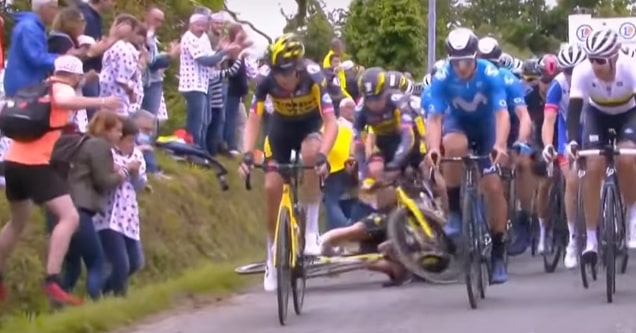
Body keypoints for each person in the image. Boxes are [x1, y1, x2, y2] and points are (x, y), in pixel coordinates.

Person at [0, 55, 121, 305]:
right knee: (70, 217)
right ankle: (52, 279)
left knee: (17, 223)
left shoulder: (35, 88)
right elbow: (64, 100)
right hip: (37, 165)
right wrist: (102, 101)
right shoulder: (62, 87)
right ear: (76, 76)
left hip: (12, 163)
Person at [238, 33, 338, 292]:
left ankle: (312, 230)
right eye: (277, 72)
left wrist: (324, 156)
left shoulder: (314, 77)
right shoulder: (265, 79)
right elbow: (254, 120)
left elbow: (331, 122)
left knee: (311, 153)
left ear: (298, 68)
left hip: (309, 127)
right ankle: (272, 252)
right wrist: (247, 153)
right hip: (280, 130)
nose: (281, 78)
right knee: (271, 186)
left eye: (286, 72)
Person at [425, 27, 510, 284]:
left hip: (486, 128)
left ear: (475, 57)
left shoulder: (490, 73)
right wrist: (432, 148)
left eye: (466, 61)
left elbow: (502, 115)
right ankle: (455, 212)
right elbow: (434, 118)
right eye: (456, 62)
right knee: (452, 146)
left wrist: (501, 144)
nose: (461, 67)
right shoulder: (442, 77)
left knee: (494, 187)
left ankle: (497, 251)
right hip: (457, 124)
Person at [566, 28, 636, 265]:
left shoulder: (630, 67)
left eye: (600, 60)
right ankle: (592, 240)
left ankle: (631, 219)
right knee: (592, 166)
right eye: (591, 59)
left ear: (614, 57)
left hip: (629, 113)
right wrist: (573, 140)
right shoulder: (582, 71)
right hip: (597, 114)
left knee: (626, 159)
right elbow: (575, 109)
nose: (594, 65)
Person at [61, 111, 127, 300]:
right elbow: (103, 181)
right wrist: (122, 174)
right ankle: (95, 302)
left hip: (65, 206)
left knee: (72, 265)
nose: (120, 135)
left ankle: (58, 304)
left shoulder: (84, 142)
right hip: (80, 209)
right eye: (117, 131)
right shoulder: (99, 146)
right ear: (106, 130)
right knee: (96, 261)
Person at [477, 36, 534, 257]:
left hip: (510, 127)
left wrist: (520, 142)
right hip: (483, 130)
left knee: (523, 163)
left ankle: (524, 216)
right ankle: (478, 222)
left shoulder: (508, 78)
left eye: (493, 62)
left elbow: (524, 116)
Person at [541, 43, 587, 268]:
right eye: (567, 71)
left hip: (591, 125)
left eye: (575, 70)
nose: (571, 76)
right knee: (571, 179)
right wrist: (548, 145)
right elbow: (549, 120)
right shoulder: (557, 86)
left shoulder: (591, 78)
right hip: (566, 131)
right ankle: (573, 237)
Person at [95, 117, 146, 296]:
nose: (132, 145)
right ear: (119, 138)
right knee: (121, 263)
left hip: (129, 215)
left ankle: (103, 289)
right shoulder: (108, 154)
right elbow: (105, 179)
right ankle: (119, 296)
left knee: (136, 262)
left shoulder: (138, 156)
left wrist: (136, 173)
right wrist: (124, 169)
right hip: (108, 216)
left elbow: (140, 186)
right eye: (129, 140)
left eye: (134, 141)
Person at [178, 12, 240, 149]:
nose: (201, 28)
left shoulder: (204, 38)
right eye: (198, 25)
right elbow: (205, 60)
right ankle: (193, 150)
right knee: (196, 120)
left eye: (204, 25)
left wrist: (220, 51)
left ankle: (202, 149)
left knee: (206, 120)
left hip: (204, 83)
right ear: (191, 25)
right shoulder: (189, 38)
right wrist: (224, 52)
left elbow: (211, 57)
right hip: (192, 84)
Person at [4, 0, 61, 97]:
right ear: (43, 8)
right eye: (54, 8)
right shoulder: (30, 28)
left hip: (24, 86)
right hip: (24, 89)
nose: (56, 12)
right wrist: (64, 60)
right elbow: (36, 58)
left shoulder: (32, 26)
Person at [99, 14, 143, 116]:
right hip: (117, 94)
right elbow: (122, 78)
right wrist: (131, 92)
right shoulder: (122, 48)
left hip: (107, 92)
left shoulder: (114, 45)